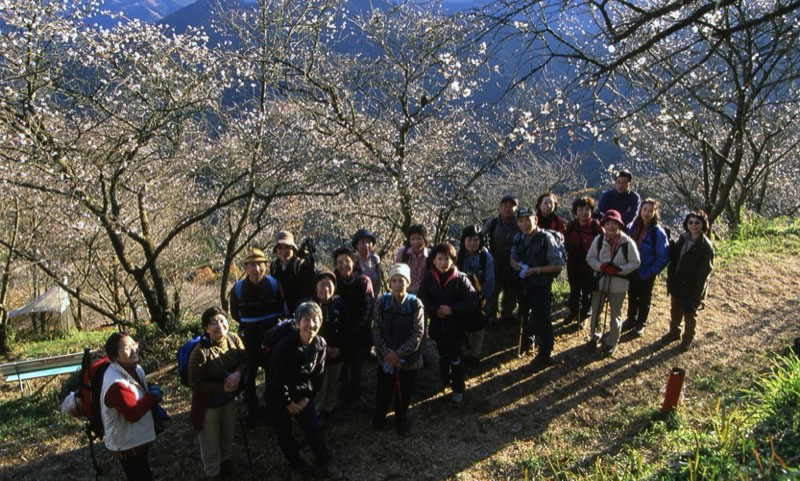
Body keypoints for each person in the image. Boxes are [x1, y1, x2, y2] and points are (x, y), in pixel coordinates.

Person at [267, 302, 341, 480]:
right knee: (284, 434)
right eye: (306, 320)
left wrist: (307, 398)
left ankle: (324, 461)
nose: (311, 324)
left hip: (302, 394)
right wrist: (288, 403)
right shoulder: (284, 346)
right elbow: (277, 378)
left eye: (315, 319)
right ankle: (296, 465)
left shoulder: (320, 344)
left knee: (313, 429)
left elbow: (318, 376)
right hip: (278, 395)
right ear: (298, 323)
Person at [188, 307, 247, 480]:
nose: (219, 326)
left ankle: (226, 461)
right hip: (209, 404)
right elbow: (195, 383)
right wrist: (222, 388)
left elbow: (245, 359)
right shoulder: (200, 352)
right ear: (206, 328)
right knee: (210, 440)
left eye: (222, 320)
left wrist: (238, 373)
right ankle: (213, 472)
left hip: (229, 399)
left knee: (227, 433)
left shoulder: (234, 339)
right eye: (213, 323)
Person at [229, 247, 285, 421]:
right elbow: (235, 314)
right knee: (248, 374)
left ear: (265, 266)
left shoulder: (274, 285)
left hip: (270, 336)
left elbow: (281, 309)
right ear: (245, 267)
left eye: (260, 265)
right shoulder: (237, 289)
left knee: (272, 372)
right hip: (248, 337)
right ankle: (251, 408)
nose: (256, 269)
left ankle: (271, 405)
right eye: (252, 265)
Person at [419, 243, 478, 402]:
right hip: (437, 326)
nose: (443, 262)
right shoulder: (429, 277)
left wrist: (452, 309)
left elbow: (472, 299)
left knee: (456, 357)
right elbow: (422, 297)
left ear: (453, 260)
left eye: (447, 259)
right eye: (440, 259)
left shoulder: (460, 278)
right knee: (442, 355)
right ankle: (444, 380)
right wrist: (434, 309)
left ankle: (458, 388)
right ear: (434, 260)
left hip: (455, 326)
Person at [372, 264, 425, 435]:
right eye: (394, 280)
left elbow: (418, 333)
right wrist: (387, 353)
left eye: (401, 280)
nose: (397, 284)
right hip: (385, 357)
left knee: (405, 391)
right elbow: (376, 329)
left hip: (409, 360)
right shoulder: (382, 302)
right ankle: (380, 416)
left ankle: (401, 419)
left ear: (407, 282)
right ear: (389, 284)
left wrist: (399, 354)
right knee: (384, 389)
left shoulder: (415, 304)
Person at [509, 207, 565, 367]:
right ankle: (526, 343)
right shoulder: (518, 237)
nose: (524, 224)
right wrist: (515, 266)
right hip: (523, 284)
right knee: (523, 314)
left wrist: (537, 270)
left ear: (535, 220)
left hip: (540, 286)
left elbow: (557, 264)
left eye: (527, 220)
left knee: (542, 320)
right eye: (521, 221)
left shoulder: (546, 238)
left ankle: (545, 354)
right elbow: (512, 257)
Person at [100, 332, 161, 481]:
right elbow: (132, 414)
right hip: (127, 443)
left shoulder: (135, 368)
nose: (134, 350)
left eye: (135, 344)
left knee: (142, 471)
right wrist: (152, 397)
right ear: (115, 356)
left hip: (136, 438)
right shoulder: (116, 384)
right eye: (127, 347)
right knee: (139, 475)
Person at [585, 209, 641, 357]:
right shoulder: (599, 240)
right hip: (600, 282)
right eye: (608, 223)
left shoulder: (628, 242)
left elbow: (635, 263)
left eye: (614, 224)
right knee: (596, 311)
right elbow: (590, 258)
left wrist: (619, 269)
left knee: (615, 315)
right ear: (604, 225)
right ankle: (594, 337)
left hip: (618, 285)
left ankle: (611, 342)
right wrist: (600, 266)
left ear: (620, 225)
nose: (611, 227)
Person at [662, 211, 714, 348]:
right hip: (678, 282)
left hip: (692, 286)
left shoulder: (705, 246)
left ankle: (687, 339)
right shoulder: (683, 238)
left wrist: (697, 293)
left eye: (697, 223)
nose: (693, 225)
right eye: (690, 222)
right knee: (675, 310)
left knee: (690, 314)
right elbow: (675, 257)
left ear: (703, 225)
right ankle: (674, 333)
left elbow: (704, 272)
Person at [332, 246, 374, 406]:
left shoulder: (363, 281)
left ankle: (356, 391)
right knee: (341, 364)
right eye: (340, 262)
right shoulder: (333, 281)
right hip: (339, 331)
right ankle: (341, 392)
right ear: (336, 265)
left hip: (359, 330)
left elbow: (370, 307)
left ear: (354, 261)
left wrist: (358, 327)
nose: (344, 265)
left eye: (347, 261)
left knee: (357, 363)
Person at [622, 199, 669, 337]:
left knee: (644, 297)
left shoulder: (657, 233)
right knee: (631, 294)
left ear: (655, 213)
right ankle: (631, 319)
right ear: (640, 210)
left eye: (650, 210)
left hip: (647, 270)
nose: (647, 213)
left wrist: (651, 271)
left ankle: (640, 323)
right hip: (632, 268)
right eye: (645, 209)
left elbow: (663, 256)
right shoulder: (633, 226)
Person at [309, 269, 349, 418]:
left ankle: (330, 408)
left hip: (337, 353)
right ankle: (316, 413)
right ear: (315, 287)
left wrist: (339, 348)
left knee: (332, 383)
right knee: (320, 385)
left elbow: (346, 328)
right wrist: (324, 350)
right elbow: (306, 333)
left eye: (329, 284)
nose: (326, 288)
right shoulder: (309, 305)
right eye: (322, 284)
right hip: (317, 354)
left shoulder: (339, 303)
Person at [456, 224, 495, 368]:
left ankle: (475, 355)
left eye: (476, 240)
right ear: (463, 240)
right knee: (462, 327)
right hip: (461, 298)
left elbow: (489, 282)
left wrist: (482, 300)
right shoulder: (458, 256)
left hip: (480, 299)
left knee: (479, 328)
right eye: (469, 240)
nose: (472, 243)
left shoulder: (486, 258)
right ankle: (464, 352)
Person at [564, 197, 604, 325]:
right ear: (575, 211)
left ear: (592, 211)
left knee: (587, 292)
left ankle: (583, 316)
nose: (584, 212)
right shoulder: (571, 226)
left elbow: (603, 245)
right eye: (580, 209)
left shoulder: (596, 226)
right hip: (574, 264)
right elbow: (566, 244)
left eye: (587, 209)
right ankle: (573, 312)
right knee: (574, 291)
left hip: (590, 265)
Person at [483, 194, 520, 325]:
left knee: (511, 294)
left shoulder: (520, 224)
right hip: (495, 265)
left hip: (513, 265)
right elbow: (482, 239)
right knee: (492, 292)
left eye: (511, 206)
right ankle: (491, 317)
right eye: (505, 205)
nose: (507, 208)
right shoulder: (492, 223)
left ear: (516, 209)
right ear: (499, 207)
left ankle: (507, 315)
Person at [270, 230, 315, 315]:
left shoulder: (301, 266)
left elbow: (309, 293)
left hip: (300, 312)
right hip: (281, 312)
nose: (283, 251)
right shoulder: (274, 266)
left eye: (287, 247)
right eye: (280, 248)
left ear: (293, 249)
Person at [394, 224, 430, 295]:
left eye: (419, 238)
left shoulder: (430, 255)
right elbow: (397, 273)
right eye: (413, 239)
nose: (416, 242)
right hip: (405, 293)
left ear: (425, 239)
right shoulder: (403, 253)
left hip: (425, 294)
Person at [351, 228, 383, 300]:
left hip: (374, 298)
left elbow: (378, 281)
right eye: (362, 242)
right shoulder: (353, 261)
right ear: (357, 245)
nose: (366, 245)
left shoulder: (375, 259)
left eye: (368, 242)